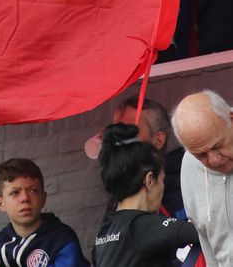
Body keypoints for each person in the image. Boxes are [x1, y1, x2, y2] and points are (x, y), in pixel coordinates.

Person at [94, 123, 198, 267]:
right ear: (149, 180)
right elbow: (205, 233)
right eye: (162, 180)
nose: (162, 187)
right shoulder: (142, 226)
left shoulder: (104, 231)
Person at [86, 95, 185, 221]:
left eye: (129, 131)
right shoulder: (118, 202)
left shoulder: (186, 180)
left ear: (158, 140)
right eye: (115, 130)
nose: (118, 138)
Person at [0, 157, 88, 267]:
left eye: (33, 191)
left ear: (43, 198)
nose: (25, 198)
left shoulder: (62, 240)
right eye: (15, 192)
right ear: (0, 203)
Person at [172, 90, 233, 266]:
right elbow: (205, 240)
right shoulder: (189, 165)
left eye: (217, 146)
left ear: (231, 118)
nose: (214, 160)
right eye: (201, 155)